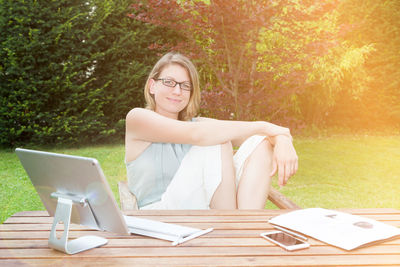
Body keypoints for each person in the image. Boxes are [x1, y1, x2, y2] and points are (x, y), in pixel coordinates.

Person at [125, 52, 298, 210]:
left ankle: (246, 225)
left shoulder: (198, 124)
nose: (177, 91)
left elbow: (251, 135)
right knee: (217, 140)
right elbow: (198, 134)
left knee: (261, 142)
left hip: (202, 209)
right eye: (169, 82)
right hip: (160, 215)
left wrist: (282, 138)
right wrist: (266, 127)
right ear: (152, 86)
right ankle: (231, 227)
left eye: (185, 85)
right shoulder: (137, 119)